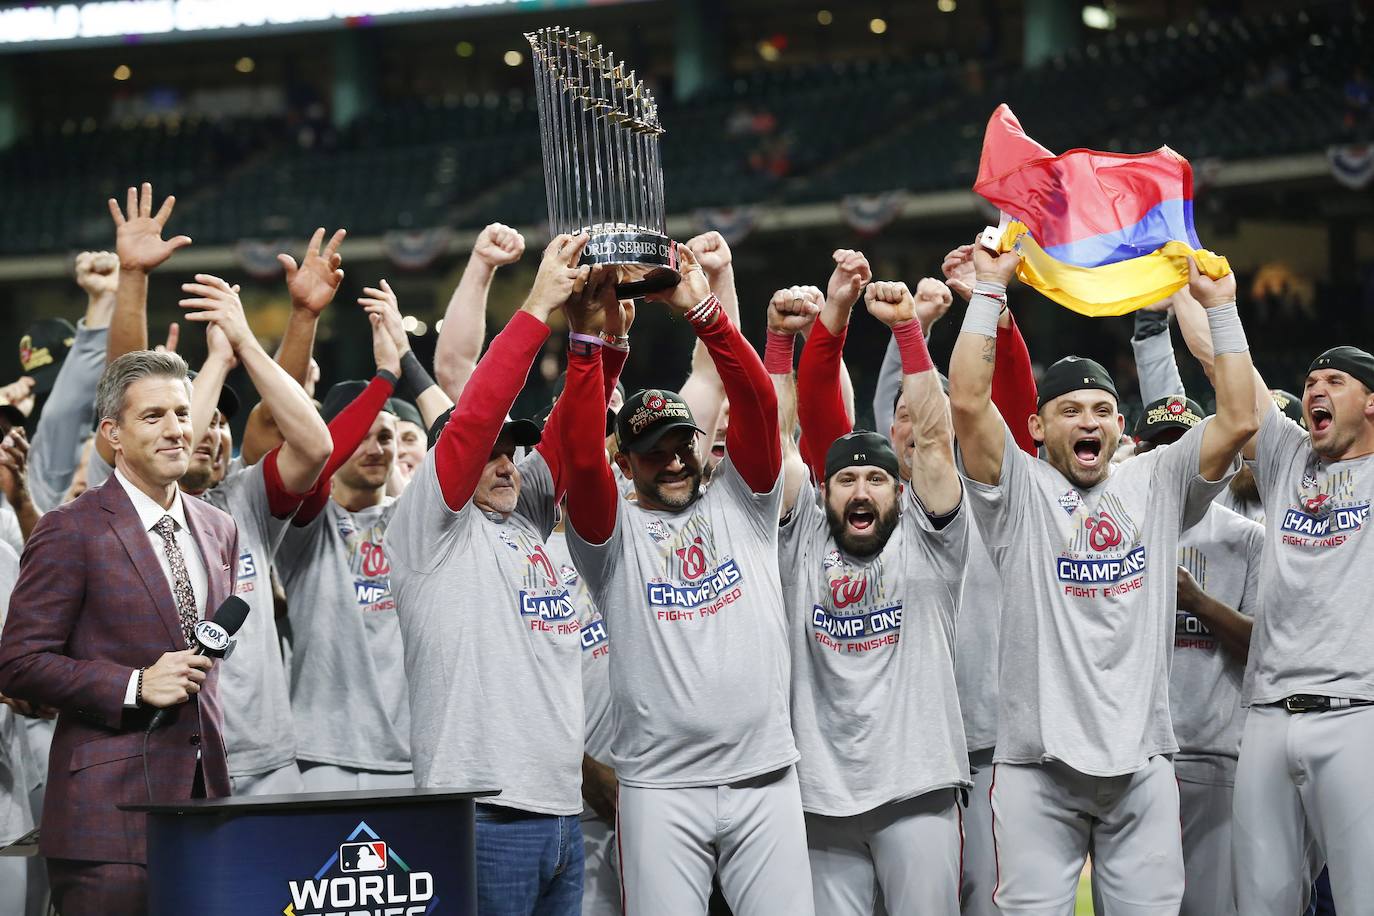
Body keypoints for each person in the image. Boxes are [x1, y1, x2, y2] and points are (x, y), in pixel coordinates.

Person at [948, 244, 1259, 915]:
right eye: (1069, 410)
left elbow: (1239, 419)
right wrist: (990, 292)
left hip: (1144, 760)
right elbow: (968, 404)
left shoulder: (1156, 480)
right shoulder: (1018, 493)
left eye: (1100, 410)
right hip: (1035, 766)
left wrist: (1222, 310)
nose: (1087, 420)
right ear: (1036, 426)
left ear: (1121, 426)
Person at [561, 245, 814, 915]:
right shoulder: (610, 540)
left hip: (765, 776)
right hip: (659, 788)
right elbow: (583, 461)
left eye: (680, 444)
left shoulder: (746, 504)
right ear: (630, 463)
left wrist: (703, 311)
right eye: (653, 453)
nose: (671, 461)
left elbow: (759, 403)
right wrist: (588, 347)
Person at [390, 234, 625, 915]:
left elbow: (573, 441)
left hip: (558, 810)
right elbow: (474, 420)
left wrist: (593, 346)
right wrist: (536, 308)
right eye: (490, 454)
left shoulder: (525, 519)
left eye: (509, 455)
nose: (504, 464)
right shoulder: (429, 529)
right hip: (480, 809)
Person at [0, 349, 238, 915]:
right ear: (113, 434)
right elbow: (18, 662)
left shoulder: (218, 527)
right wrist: (133, 685)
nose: (177, 429)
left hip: (206, 803)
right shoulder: (70, 529)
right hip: (106, 816)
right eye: (153, 416)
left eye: (182, 413)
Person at [776, 279, 969, 914]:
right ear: (824, 490)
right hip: (820, 799)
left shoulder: (930, 535)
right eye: (847, 480)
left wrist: (910, 333)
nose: (862, 492)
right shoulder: (800, 537)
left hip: (917, 791)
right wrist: (779, 345)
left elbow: (936, 440)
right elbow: (775, 447)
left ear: (899, 487)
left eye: (878, 478)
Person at [1228, 343, 1374, 913]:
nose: (1316, 390)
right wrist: (1195, 295)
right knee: (1261, 902)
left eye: (1335, 381)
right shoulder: (1288, 457)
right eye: (1311, 381)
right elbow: (1227, 366)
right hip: (1265, 712)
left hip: (1357, 710)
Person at [176, 274, 333, 795]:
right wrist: (217, 363)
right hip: (177, 759)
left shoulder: (245, 498)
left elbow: (314, 446)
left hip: (267, 761)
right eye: (203, 416)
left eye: (224, 422)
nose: (213, 432)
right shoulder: (135, 509)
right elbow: (170, 458)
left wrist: (243, 344)